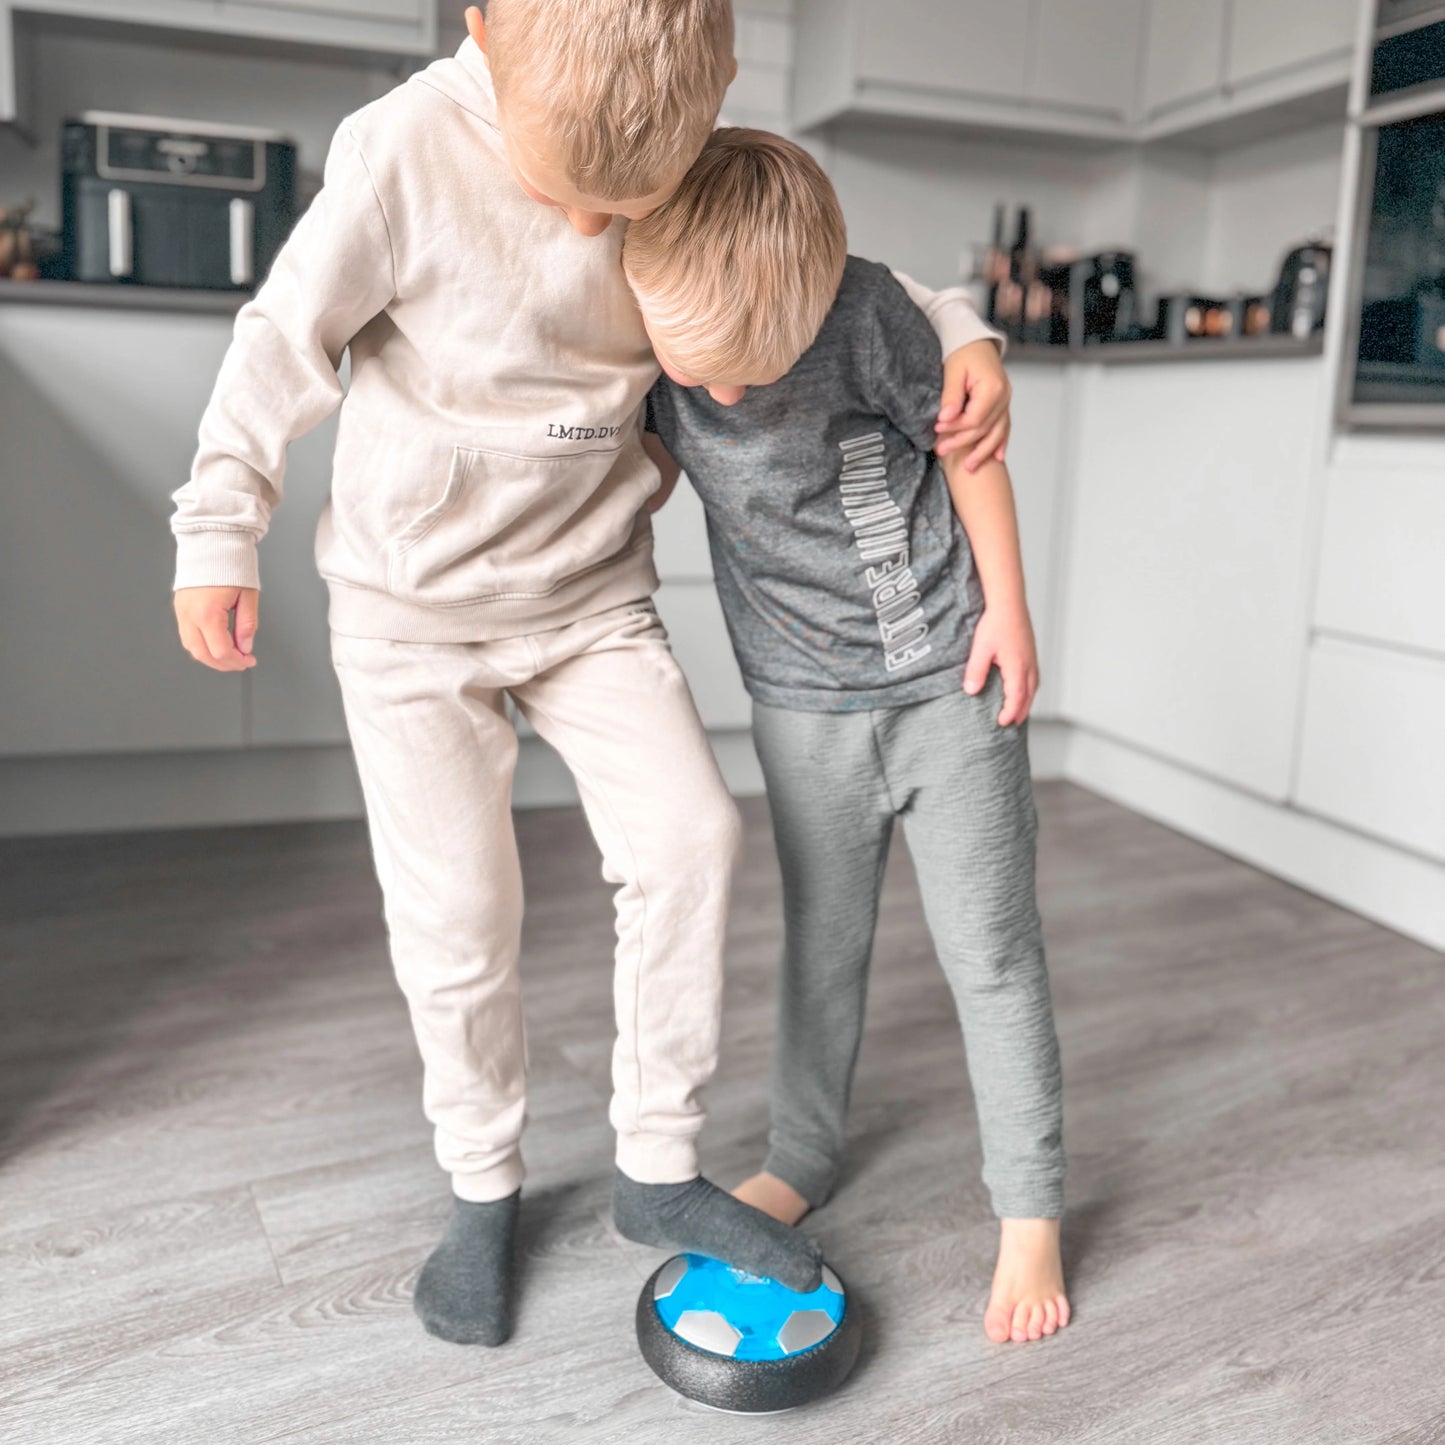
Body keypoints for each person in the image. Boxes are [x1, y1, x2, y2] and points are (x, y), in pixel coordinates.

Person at [169, 1, 1012, 1347]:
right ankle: (481, 1185)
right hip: (409, 616)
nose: (587, 227)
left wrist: (962, 329)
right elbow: (280, 338)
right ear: (486, 35)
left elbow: (842, 283)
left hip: (590, 602)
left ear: (712, 92)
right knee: (459, 912)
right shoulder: (399, 151)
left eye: (622, 207)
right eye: (566, 191)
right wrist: (221, 526)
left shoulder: (662, 126)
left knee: (690, 838)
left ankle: (655, 1165)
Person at [628, 128, 1069, 1346]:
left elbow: (967, 450)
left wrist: (1010, 611)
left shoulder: (864, 311)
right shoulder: (651, 326)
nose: (724, 398)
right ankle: (800, 1153)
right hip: (798, 707)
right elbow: (648, 473)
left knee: (992, 954)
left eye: (752, 371)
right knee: (818, 950)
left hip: (949, 684)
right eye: (699, 373)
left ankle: (1029, 1204)